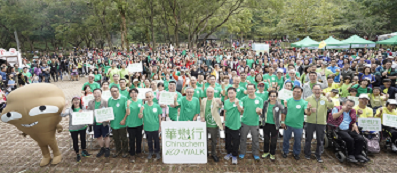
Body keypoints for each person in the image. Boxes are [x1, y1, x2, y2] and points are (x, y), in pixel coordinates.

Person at [304, 84, 334, 162]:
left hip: (321, 123)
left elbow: (331, 106)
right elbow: (305, 110)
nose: (317, 91)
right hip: (310, 122)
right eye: (315, 89)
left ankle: (318, 155)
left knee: (320, 140)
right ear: (312, 90)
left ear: (321, 90)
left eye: (318, 89)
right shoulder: (308, 99)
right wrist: (310, 109)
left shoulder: (324, 99)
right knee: (308, 139)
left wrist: (329, 97)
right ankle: (307, 153)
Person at [281, 86, 311, 160]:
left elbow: (308, 113)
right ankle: (285, 151)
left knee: (298, 141)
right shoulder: (287, 101)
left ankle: (296, 153)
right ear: (292, 92)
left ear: (301, 93)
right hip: (287, 124)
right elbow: (284, 112)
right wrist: (282, 122)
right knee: (285, 139)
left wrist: (308, 108)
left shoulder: (304, 102)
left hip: (298, 125)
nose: (296, 93)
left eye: (298, 92)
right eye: (294, 91)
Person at [60, 96, 91, 162]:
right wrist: (64, 106)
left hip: (82, 127)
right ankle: (77, 154)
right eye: (74, 100)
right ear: (72, 102)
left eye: (77, 100)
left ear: (80, 101)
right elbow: (62, 115)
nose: (76, 101)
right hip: (73, 128)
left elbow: (87, 116)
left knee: (83, 139)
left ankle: (83, 151)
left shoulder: (83, 108)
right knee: (75, 141)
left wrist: (83, 113)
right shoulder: (70, 109)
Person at [239, 84, 263, 160]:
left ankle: (255, 153)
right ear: (247, 90)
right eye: (249, 89)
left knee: (255, 139)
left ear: (255, 89)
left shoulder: (259, 100)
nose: (250, 90)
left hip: (255, 123)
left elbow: (260, 112)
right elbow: (240, 110)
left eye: (252, 89)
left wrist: (259, 112)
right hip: (245, 122)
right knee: (243, 139)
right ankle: (242, 152)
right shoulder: (243, 99)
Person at [200, 87, 223, 162]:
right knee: (204, 140)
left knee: (214, 141)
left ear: (214, 93)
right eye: (208, 92)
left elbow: (220, 106)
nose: (209, 94)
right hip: (205, 124)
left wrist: (220, 102)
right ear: (206, 92)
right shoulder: (204, 100)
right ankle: (205, 153)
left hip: (213, 124)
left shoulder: (216, 100)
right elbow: (202, 110)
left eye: (211, 92)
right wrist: (202, 117)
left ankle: (213, 154)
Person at [87, 88, 110, 158]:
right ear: (93, 94)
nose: (96, 95)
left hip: (104, 123)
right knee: (98, 136)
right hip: (95, 123)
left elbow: (108, 112)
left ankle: (107, 148)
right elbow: (89, 112)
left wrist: (106, 119)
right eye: (95, 93)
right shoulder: (90, 102)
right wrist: (89, 121)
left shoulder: (106, 102)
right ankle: (102, 148)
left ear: (101, 93)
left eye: (98, 93)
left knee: (106, 136)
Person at [139, 91, 162, 160]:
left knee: (156, 140)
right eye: (147, 97)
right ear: (145, 98)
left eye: (150, 97)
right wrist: (140, 111)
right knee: (149, 140)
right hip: (147, 127)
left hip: (155, 126)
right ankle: (150, 152)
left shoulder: (157, 106)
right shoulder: (143, 106)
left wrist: (160, 126)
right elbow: (140, 117)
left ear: (152, 97)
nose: (149, 98)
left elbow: (159, 116)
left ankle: (157, 151)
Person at [261, 90, 283, 161]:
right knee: (266, 139)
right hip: (266, 124)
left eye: (274, 96)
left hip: (275, 125)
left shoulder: (278, 104)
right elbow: (262, 111)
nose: (272, 97)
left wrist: (285, 106)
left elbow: (284, 112)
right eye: (271, 96)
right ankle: (266, 152)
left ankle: (272, 153)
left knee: (274, 140)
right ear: (269, 96)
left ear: (276, 97)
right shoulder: (265, 103)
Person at [108, 86, 129, 158]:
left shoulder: (124, 98)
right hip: (113, 123)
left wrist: (124, 120)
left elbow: (127, 111)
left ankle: (125, 151)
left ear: (118, 91)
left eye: (115, 91)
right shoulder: (109, 100)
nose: (114, 93)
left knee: (124, 138)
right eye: (112, 91)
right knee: (116, 138)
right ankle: (118, 150)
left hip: (122, 122)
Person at [223, 87, 243, 165]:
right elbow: (225, 112)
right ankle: (229, 152)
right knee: (227, 140)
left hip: (235, 125)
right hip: (228, 124)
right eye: (229, 93)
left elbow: (241, 111)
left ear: (235, 93)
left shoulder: (239, 101)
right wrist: (224, 122)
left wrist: (237, 104)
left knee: (235, 141)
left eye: (232, 93)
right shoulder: (226, 101)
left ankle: (234, 155)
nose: (230, 95)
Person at [125, 88, 144, 162]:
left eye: (135, 92)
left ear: (137, 93)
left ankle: (138, 152)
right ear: (130, 94)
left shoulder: (141, 101)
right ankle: (132, 154)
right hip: (130, 124)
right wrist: (128, 105)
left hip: (139, 123)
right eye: (132, 93)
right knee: (132, 140)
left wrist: (141, 112)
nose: (134, 94)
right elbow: (128, 113)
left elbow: (142, 112)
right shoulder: (128, 101)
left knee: (139, 139)